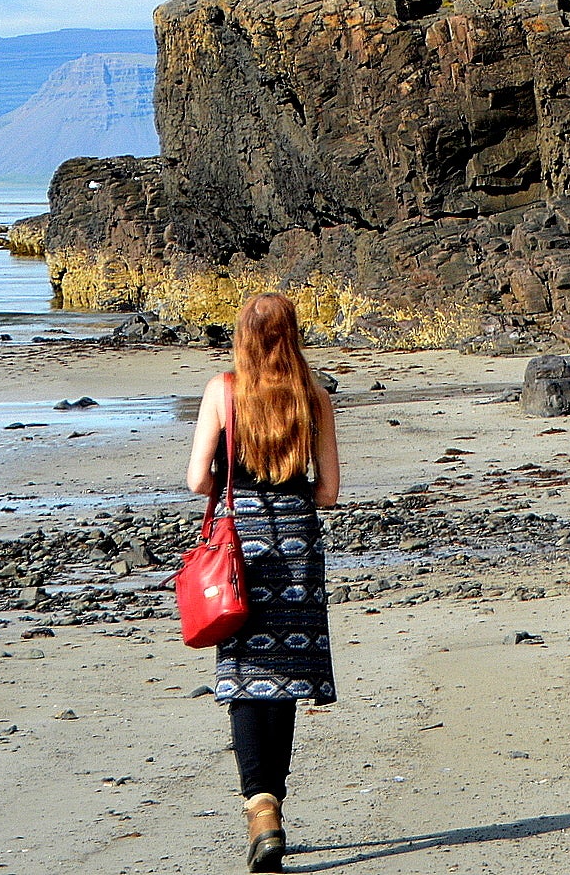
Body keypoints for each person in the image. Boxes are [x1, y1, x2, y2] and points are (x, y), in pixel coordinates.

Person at [185, 291, 342, 872]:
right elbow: (327, 492)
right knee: (287, 674)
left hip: (241, 548)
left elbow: (199, 478)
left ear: (243, 339)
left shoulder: (222, 392)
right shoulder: (314, 398)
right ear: (292, 335)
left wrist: (234, 482)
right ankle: (273, 802)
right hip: (297, 544)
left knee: (247, 676)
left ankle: (262, 808)